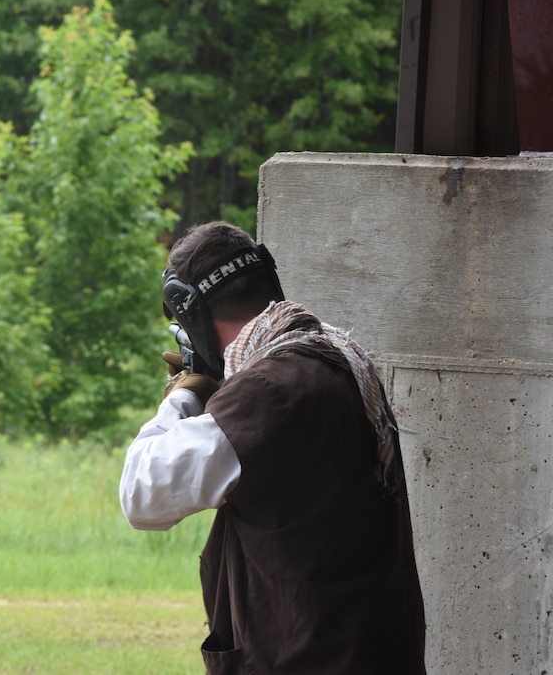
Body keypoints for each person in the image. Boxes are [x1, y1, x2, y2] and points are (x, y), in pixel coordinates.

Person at [120, 221, 426, 674]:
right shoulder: (337, 358)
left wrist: (186, 393)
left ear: (193, 314)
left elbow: (142, 497)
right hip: (372, 650)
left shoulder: (269, 393)